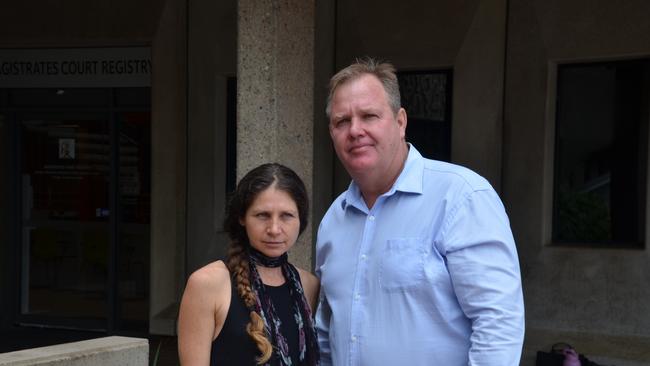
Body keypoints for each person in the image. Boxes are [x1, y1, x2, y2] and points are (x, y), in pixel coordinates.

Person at [315, 58, 525, 365]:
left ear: (400, 122)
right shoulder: (334, 219)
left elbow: (498, 323)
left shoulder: (460, 197)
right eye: (341, 121)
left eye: (369, 116)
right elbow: (327, 329)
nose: (355, 130)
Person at [178, 163, 320, 366]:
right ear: (242, 218)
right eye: (262, 215)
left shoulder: (308, 284)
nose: (274, 229)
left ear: (301, 220)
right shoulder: (207, 284)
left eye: (286, 216)